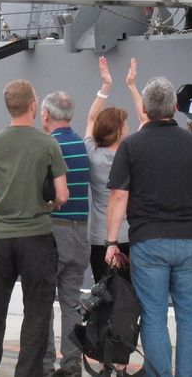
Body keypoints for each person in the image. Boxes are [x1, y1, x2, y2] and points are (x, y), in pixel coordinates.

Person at [106, 76, 192, 377]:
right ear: (174, 107)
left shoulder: (131, 145)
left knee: (154, 316)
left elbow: (119, 195)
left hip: (148, 241)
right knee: (191, 317)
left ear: (144, 108)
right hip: (189, 241)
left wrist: (111, 242)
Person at [0, 80, 69, 377]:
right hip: (36, 235)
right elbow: (62, 195)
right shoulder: (47, 143)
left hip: (0, 238)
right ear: (33, 105)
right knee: (37, 311)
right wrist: (46, 205)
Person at [42, 91, 90, 377]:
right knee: (71, 300)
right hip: (80, 231)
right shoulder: (82, 146)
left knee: (43, 300)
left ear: (46, 114)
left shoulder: (48, 146)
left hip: (54, 229)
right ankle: (71, 362)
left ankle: (45, 363)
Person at [85, 56, 131, 282]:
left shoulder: (92, 154)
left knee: (103, 294)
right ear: (120, 131)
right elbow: (146, 118)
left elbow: (92, 117)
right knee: (129, 295)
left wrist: (106, 86)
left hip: (98, 237)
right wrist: (132, 85)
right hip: (128, 234)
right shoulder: (132, 155)